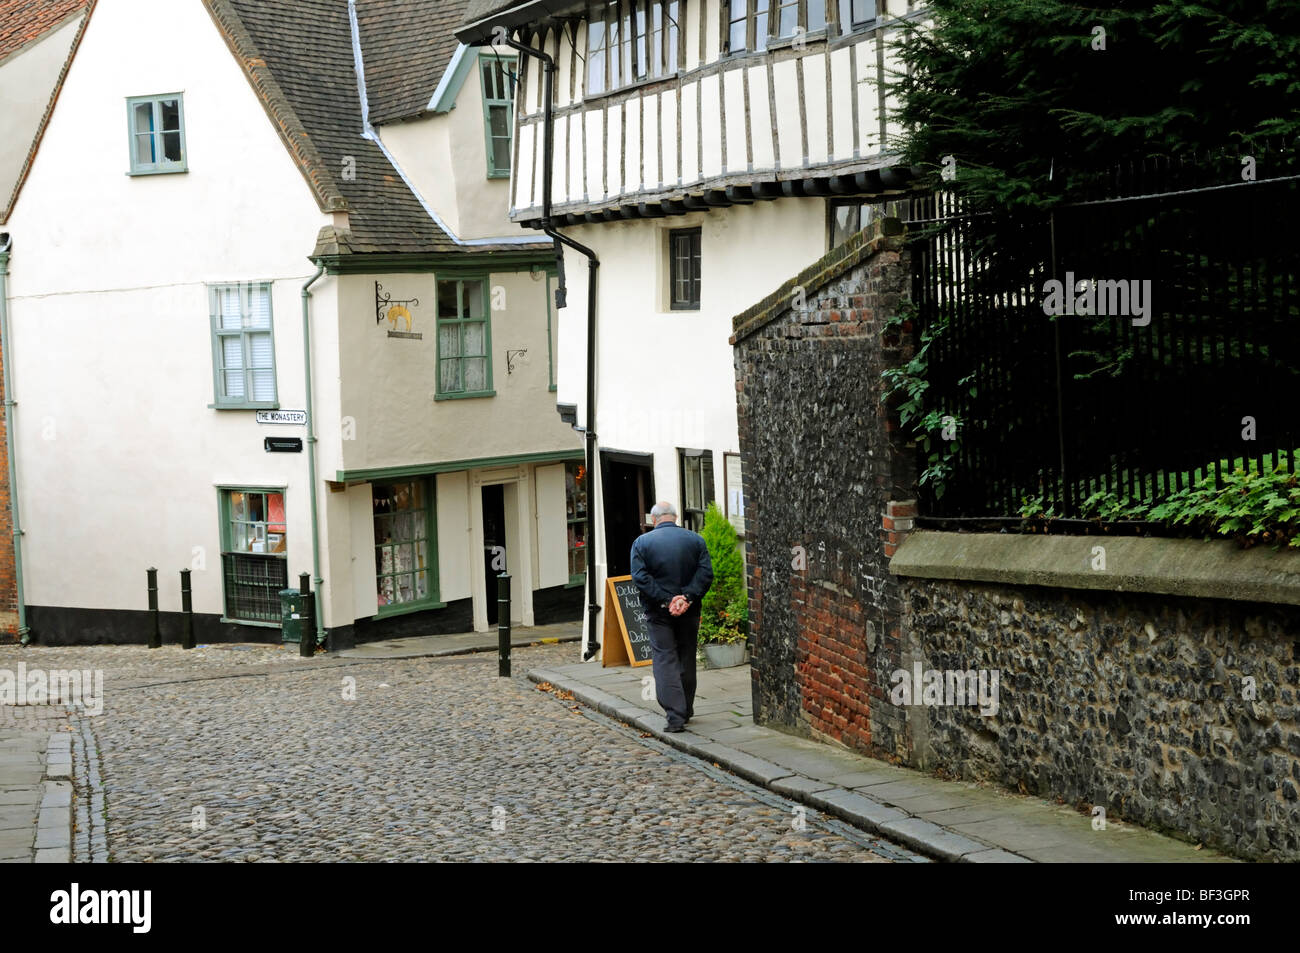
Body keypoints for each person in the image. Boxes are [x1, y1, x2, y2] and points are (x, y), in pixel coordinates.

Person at [629, 502, 713, 732]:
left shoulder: (642, 543)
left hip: (658, 612)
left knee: (665, 659)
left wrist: (666, 601)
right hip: (689, 610)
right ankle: (686, 709)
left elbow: (640, 577)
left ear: (654, 520)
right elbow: (705, 573)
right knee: (686, 657)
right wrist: (686, 598)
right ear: (675, 517)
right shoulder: (695, 540)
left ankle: (675, 717)